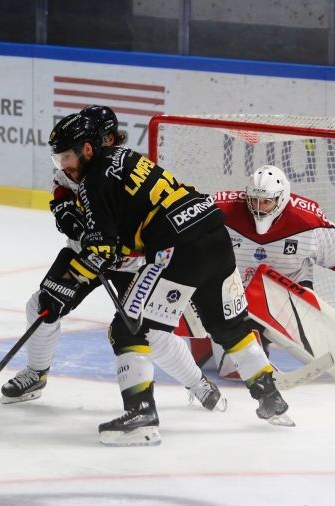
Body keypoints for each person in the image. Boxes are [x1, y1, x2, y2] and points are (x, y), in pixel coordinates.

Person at [42, 113, 294, 446]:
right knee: (230, 327)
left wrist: (74, 277)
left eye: (67, 156)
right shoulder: (127, 158)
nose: (64, 164)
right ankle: (271, 400)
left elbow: (102, 249)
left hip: (179, 250)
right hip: (216, 237)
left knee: (128, 327)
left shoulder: (93, 181)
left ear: (87, 149)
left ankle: (141, 415)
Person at [1, 106, 225, 413]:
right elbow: (62, 198)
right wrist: (72, 220)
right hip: (90, 256)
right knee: (41, 305)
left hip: (135, 263)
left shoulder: (123, 170)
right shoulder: (75, 169)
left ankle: (198, 384)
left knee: (146, 331)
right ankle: (36, 374)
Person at [185, 165, 335, 383]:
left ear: (281, 198)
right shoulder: (219, 210)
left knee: (243, 365)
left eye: (266, 201)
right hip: (230, 293)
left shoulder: (308, 221)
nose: (258, 206)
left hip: (286, 292)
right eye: (254, 200)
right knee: (228, 369)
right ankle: (215, 343)